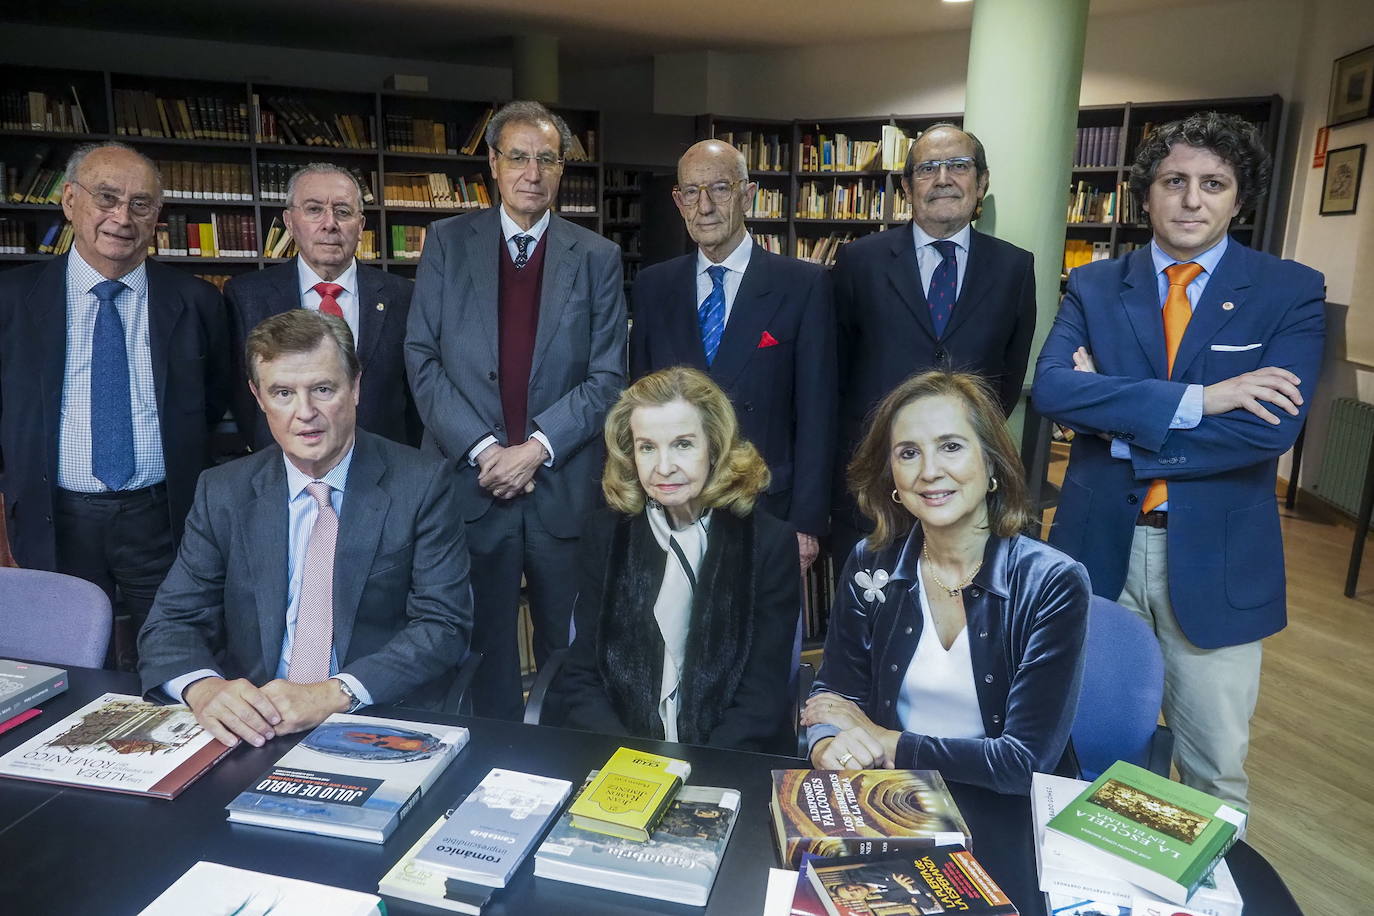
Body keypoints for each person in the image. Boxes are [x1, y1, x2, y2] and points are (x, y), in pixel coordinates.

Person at [1031, 111, 1325, 807]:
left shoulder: (1289, 291)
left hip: (1215, 563)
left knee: (1213, 768)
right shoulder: (1095, 285)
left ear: (1238, 197)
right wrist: (1206, 398)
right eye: (1174, 181)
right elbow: (1051, 389)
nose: (1192, 200)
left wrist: (1114, 417)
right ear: (1146, 193)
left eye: (1213, 183)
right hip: (1097, 548)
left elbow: (1267, 432)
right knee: (1081, 747)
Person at [138, 309, 472, 748]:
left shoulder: (421, 484)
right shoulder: (224, 491)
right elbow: (171, 622)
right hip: (254, 723)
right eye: (282, 393)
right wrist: (206, 690)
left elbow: (443, 624)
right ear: (258, 397)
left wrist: (332, 694)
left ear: (355, 387)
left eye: (322, 389)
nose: (305, 413)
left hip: (371, 718)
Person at [406, 100, 627, 720]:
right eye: (519, 158)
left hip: (562, 487)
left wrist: (534, 449)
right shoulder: (448, 244)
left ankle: (569, 766)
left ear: (561, 171)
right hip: (468, 489)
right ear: (494, 167)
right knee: (478, 646)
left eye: (546, 160)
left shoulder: (598, 257)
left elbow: (609, 376)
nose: (532, 172)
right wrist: (484, 451)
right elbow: (421, 359)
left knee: (572, 648)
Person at [0, 142, 230, 670]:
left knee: (179, 660)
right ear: (70, 202)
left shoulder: (197, 302)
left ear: (157, 218)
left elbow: (215, 397)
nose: (122, 218)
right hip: (56, 514)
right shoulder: (12, 301)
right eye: (107, 198)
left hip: (166, 516)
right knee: (67, 665)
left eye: (141, 204)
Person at [803, 371, 1088, 795]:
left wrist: (883, 741)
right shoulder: (870, 561)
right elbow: (834, 694)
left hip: (1008, 810)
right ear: (893, 478)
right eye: (908, 453)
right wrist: (827, 745)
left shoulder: (1051, 581)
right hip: (893, 796)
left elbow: (1022, 764)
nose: (929, 471)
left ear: (991, 461)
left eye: (950, 447)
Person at [560, 368, 799, 753]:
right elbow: (582, 677)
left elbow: (762, 698)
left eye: (683, 444)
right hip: (623, 760)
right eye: (647, 447)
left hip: (731, 758)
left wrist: (700, 767)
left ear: (716, 448)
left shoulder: (768, 542)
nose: (664, 466)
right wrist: (636, 765)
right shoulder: (605, 534)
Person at [830, 124, 1036, 565]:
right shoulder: (857, 262)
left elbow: (1007, 376)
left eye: (958, 166)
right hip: (876, 483)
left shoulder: (1014, 268)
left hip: (967, 487)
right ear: (907, 187)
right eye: (927, 169)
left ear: (981, 182)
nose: (943, 178)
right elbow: (836, 372)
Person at [629, 139, 836, 571]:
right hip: (676, 508)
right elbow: (639, 406)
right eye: (691, 192)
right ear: (678, 200)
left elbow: (818, 414)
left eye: (720, 189)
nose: (704, 206)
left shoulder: (803, 285)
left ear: (748, 194)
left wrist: (807, 522)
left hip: (766, 507)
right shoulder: (654, 286)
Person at [227, 163, 419, 449]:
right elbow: (241, 394)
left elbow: (417, 391)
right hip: (286, 466)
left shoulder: (404, 295)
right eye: (314, 209)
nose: (330, 223)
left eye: (343, 211)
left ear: (361, 225)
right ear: (290, 222)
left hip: (386, 465)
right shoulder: (246, 295)